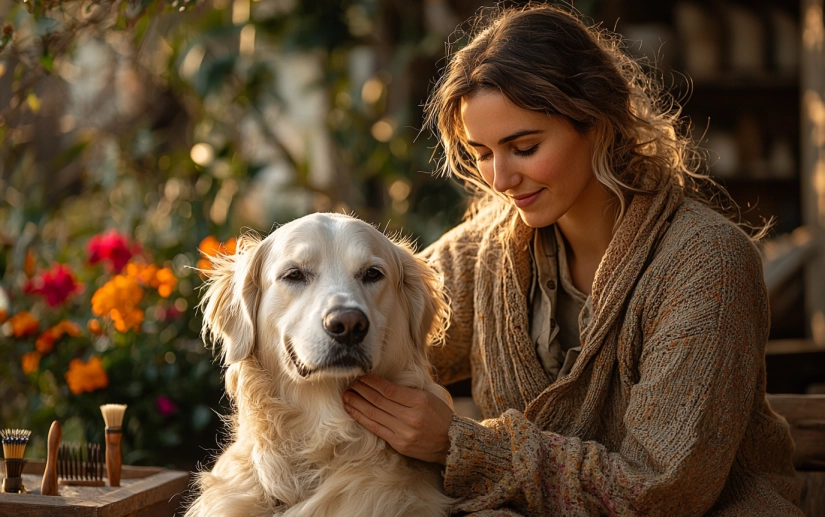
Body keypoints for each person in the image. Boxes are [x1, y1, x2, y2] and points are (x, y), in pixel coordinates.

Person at [341, 3, 802, 515]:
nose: (500, 179)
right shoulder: (488, 251)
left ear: (598, 124)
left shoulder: (706, 264)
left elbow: (663, 490)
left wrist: (459, 444)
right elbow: (375, 330)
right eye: (482, 153)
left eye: (525, 146)